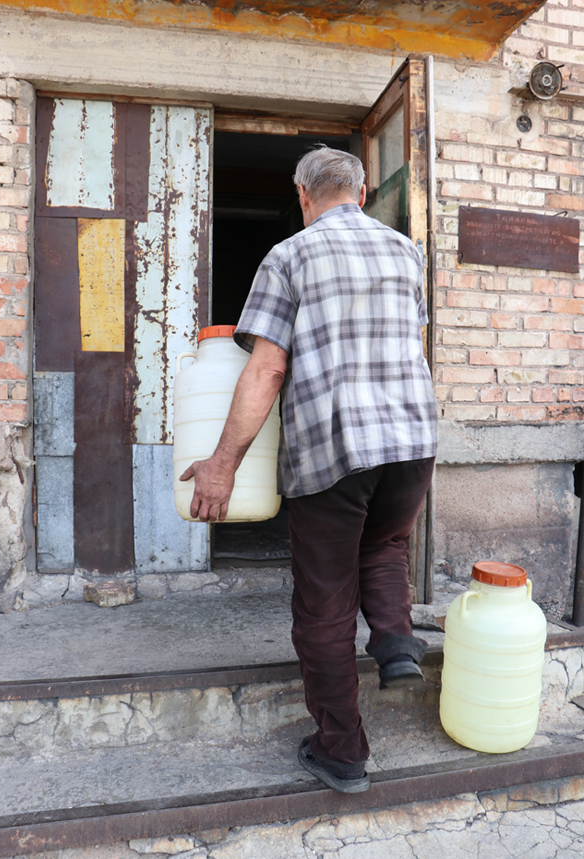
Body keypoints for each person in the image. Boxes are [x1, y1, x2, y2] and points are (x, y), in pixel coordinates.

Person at [180, 146, 438, 794]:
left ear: (302, 194)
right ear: (364, 188)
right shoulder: (406, 252)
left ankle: (342, 751)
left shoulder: (288, 256)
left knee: (323, 606)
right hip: (413, 441)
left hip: (335, 448)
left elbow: (265, 369)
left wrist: (221, 465)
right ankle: (396, 642)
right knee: (384, 543)